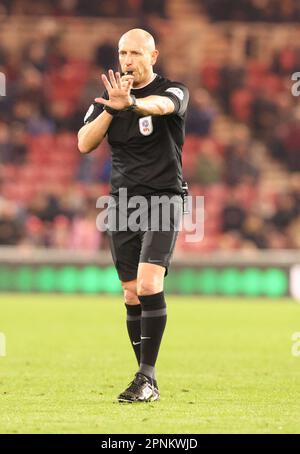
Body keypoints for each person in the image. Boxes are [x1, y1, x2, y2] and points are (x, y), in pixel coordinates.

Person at [78, 28, 189, 403]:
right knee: (130, 293)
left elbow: (164, 107)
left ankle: (147, 376)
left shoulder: (174, 89)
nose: (128, 60)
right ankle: (145, 379)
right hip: (122, 203)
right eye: (123, 53)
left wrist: (135, 105)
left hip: (163, 198)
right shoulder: (107, 100)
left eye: (136, 53)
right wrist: (113, 107)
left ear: (153, 56)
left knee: (147, 284)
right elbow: (84, 142)